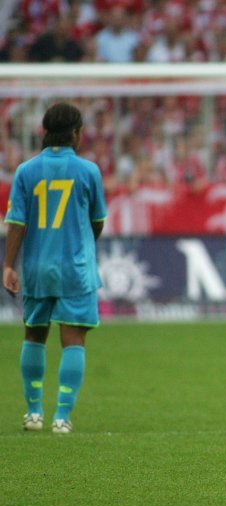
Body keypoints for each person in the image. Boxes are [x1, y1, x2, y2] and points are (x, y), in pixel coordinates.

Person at [3, 102, 107, 434]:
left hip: (36, 266)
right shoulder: (88, 171)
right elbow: (97, 222)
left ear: (45, 133)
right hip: (75, 267)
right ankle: (62, 416)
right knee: (73, 338)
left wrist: (8, 265)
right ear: (76, 133)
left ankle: (34, 412)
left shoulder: (26, 171)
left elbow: (16, 222)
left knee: (34, 335)